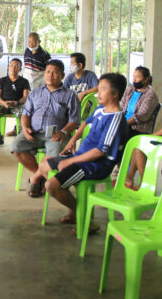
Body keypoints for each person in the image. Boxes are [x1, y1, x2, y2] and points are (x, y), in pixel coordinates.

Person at [31, 73, 129, 226]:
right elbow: (85, 123)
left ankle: (84, 216)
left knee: (51, 185)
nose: (98, 93)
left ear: (115, 94)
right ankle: (77, 211)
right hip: (82, 158)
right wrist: (72, 141)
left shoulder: (116, 118)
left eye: (103, 89)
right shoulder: (100, 109)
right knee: (44, 163)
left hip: (96, 165)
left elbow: (100, 151)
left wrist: (70, 160)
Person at [12, 59, 80, 197]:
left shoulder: (70, 95)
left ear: (62, 75)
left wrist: (63, 131)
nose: (50, 75)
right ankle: (42, 176)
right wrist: (24, 127)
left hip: (56, 135)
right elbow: (26, 114)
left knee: (53, 155)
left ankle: (35, 180)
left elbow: (74, 121)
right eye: (48, 72)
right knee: (16, 146)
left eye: (55, 73)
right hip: (34, 133)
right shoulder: (35, 93)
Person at [0, 58, 30, 147]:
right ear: (8, 67)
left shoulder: (24, 81)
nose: (14, 68)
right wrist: (4, 103)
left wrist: (17, 103)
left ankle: (20, 139)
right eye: (12, 66)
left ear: (20, 69)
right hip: (4, 105)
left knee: (25, 113)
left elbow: (25, 97)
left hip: (18, 106)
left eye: (16, 66)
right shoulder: (2, 80)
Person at [119, 66, 160, 137]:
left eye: (137, 77)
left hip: (137, 129)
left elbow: (142, 115)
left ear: (146, 79)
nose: (134, 79)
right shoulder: (130, 89)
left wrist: (123, 124)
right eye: (133, 76)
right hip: (124, 124)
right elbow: (121, 106)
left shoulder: (150, 94)